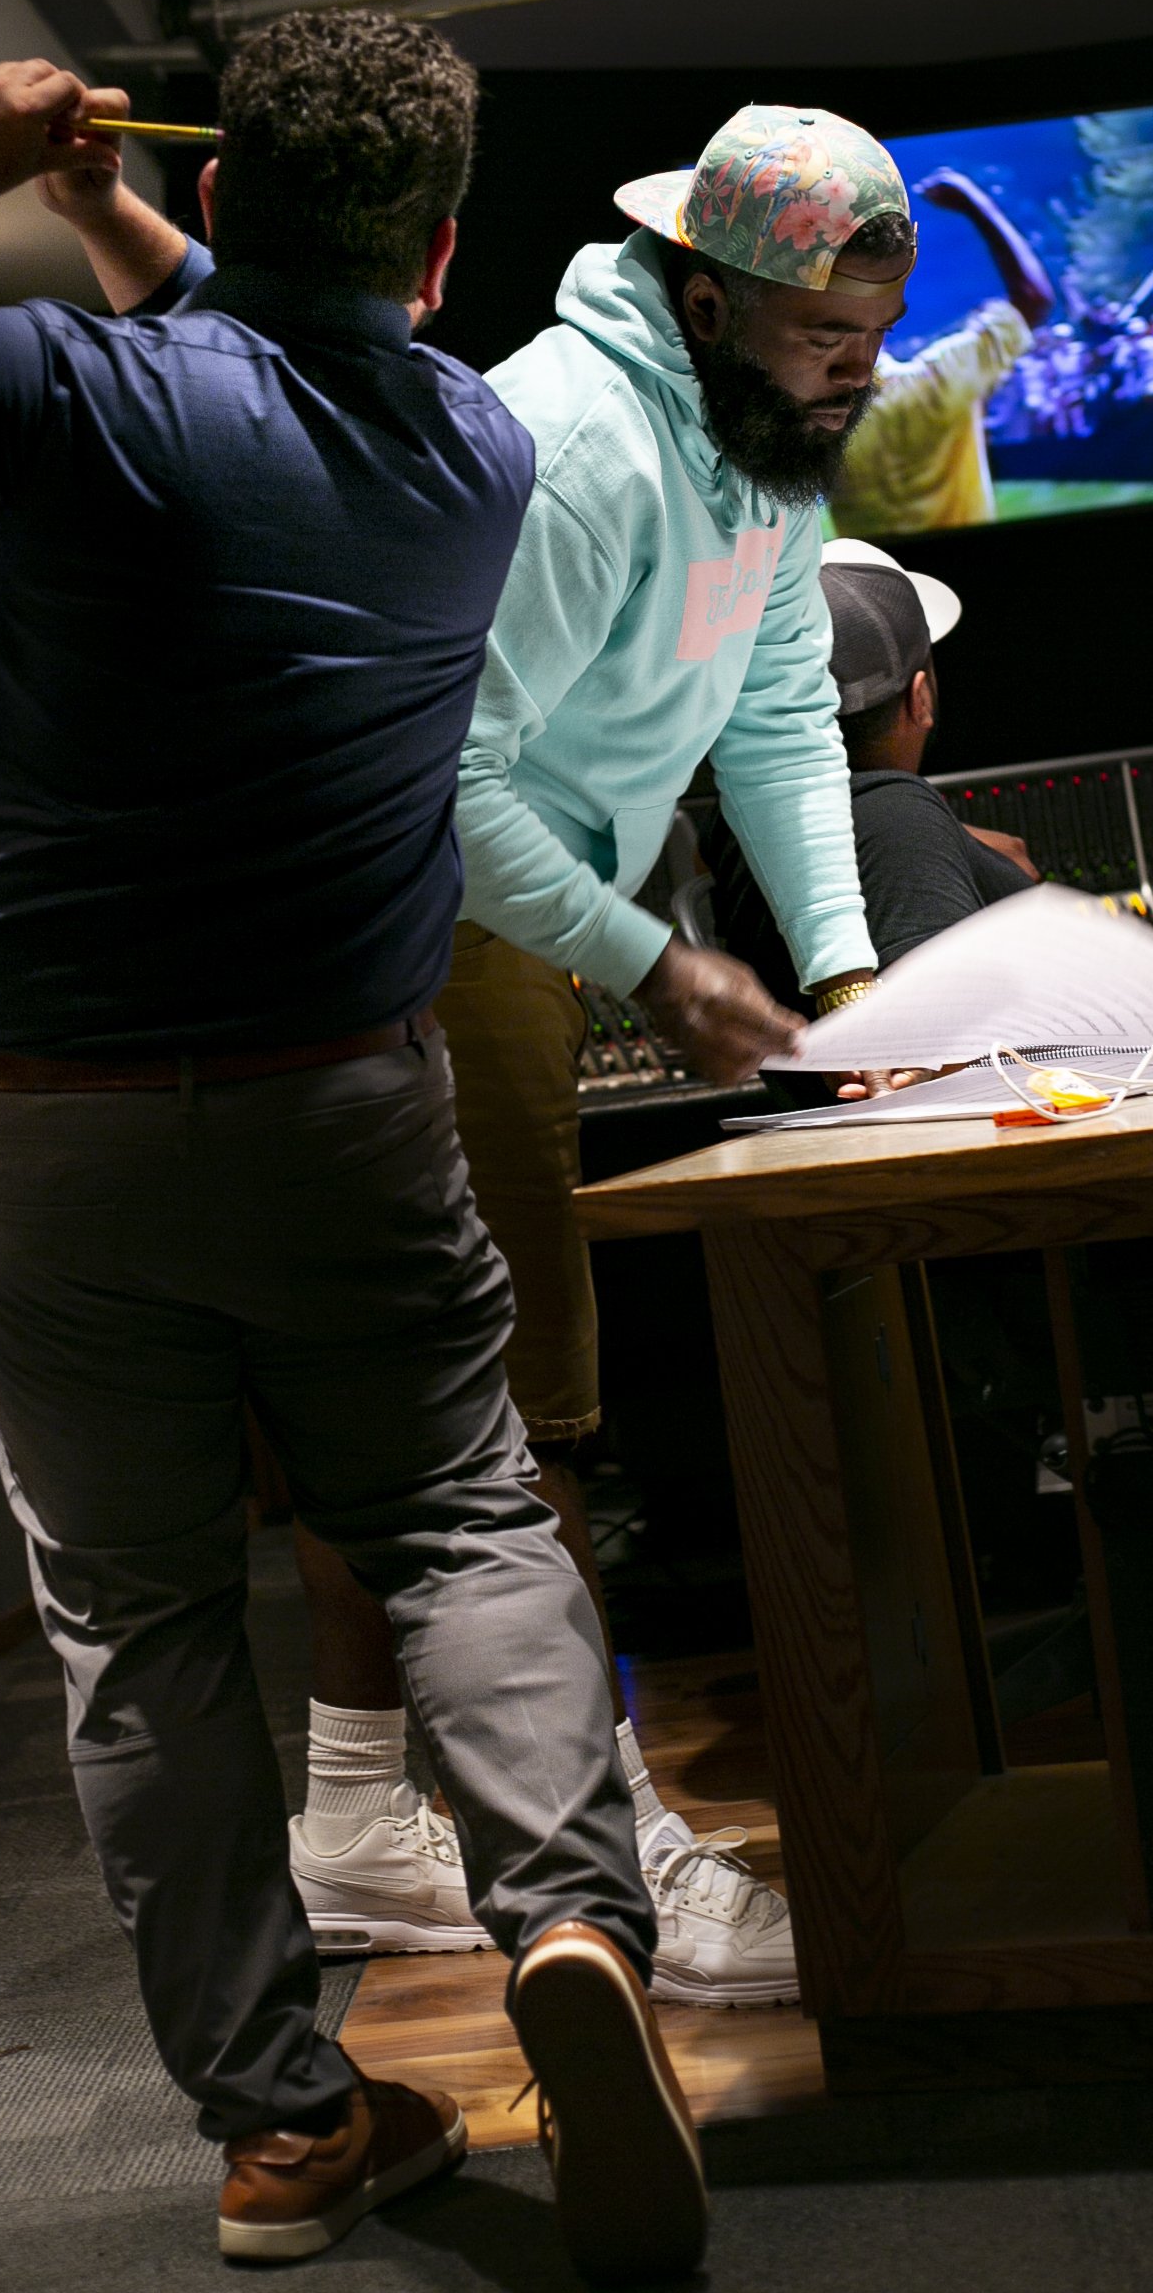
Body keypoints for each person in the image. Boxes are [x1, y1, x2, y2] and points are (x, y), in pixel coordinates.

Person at [0, 24, 708, 2286]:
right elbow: (270, 350)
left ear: (216, 196)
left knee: (140, 1624)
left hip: (46, 1132)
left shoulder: (46, 391)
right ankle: (571, 1926)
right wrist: (125, 213)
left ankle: (289, 2129)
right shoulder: (473, 442)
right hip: (346, 1106)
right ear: (438, 252)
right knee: (458, 1517)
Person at [276, 102, 918, 2005]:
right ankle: (603, 1856)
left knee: (437, 1398)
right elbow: (444, 783)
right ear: (710, 303)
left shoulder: (762, 450)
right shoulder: (571, 447)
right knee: (523, 1412)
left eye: (877, 340)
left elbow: (781, 713)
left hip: (527, 922)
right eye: (828, 339)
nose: (857, 375)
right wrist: (657, 962)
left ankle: (355, 1817)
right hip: (417, 922)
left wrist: (851, 974)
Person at [700, 539, 1039, 997]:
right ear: (920, 698)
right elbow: (940, 1029)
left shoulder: (738, 823)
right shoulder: (897, 819)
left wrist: (958, 846)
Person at [827, 165, 1055, 537]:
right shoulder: (943, 380)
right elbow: (1034, 298)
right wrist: (975, 204)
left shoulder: (820, 419)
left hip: (876, 573)